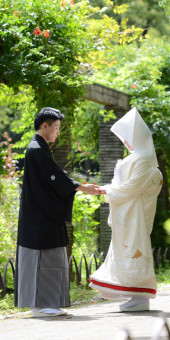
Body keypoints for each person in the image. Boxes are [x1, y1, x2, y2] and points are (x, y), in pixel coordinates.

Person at [14, 107, 104, 317]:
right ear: (44, 126)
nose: (57, 132)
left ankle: (47, 304)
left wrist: (77, 187)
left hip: (43, 214)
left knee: (49, 261)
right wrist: (82, 188)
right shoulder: (36, 149)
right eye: (56, 127)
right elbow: (55, 176)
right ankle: (39, 306)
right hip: (40, 218)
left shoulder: (40, 147)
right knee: (42, 261)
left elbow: (55, 176)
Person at [89, 107, 163, 312]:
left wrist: (105, 190)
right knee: (127, 249)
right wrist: (108, 189)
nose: (125, 141)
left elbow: (131, 188)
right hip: (131, 213)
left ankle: (140, 295)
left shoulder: (142, 160)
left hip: (134, 214)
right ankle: (136, 294)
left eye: (127, 137)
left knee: (134, 249)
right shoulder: (141, 158)